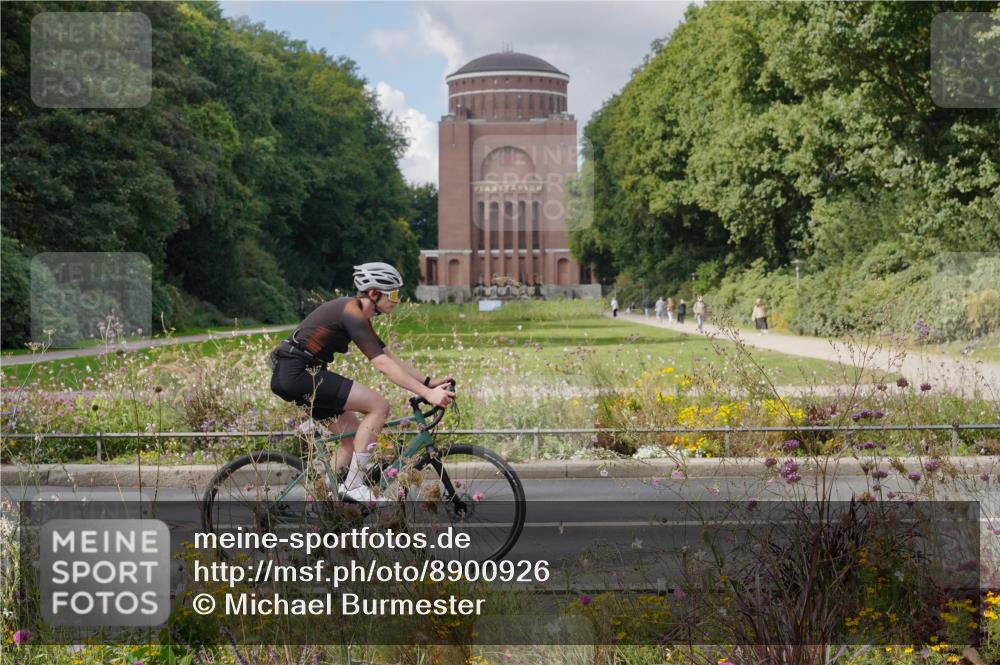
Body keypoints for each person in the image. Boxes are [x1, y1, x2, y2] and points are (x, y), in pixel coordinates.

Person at [269, 262, 455, 503]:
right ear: (374, 293)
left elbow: (388, 356)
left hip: (296, 375)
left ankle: (320, 504)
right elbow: (382, 366)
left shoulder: (357, 315)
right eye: (394, 294)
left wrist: (428, 383)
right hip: (299, 374)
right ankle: (354, 484)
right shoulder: (351, 312)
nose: (397, 300)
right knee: (378, 405)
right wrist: (427, 395)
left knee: (351, 438)